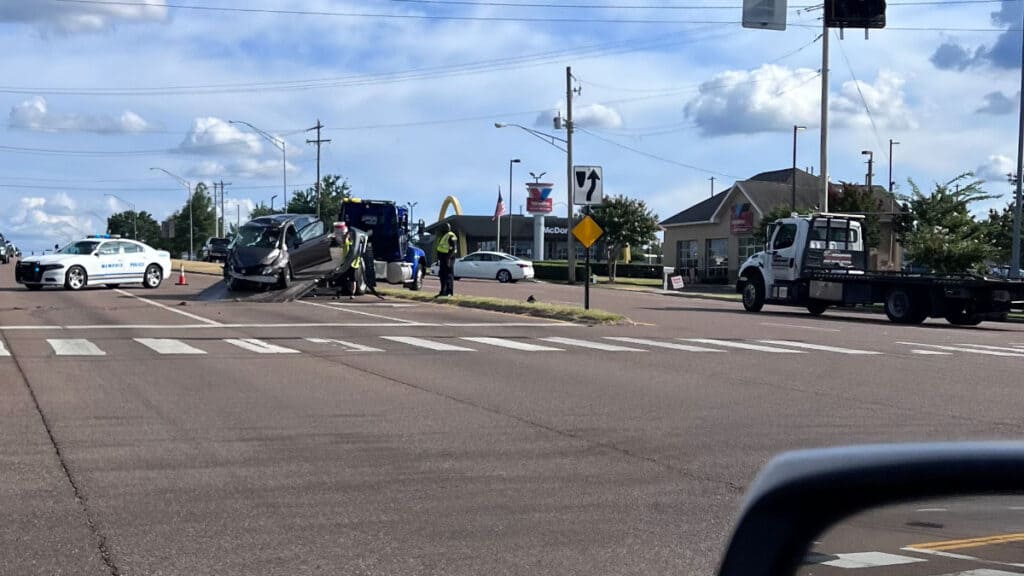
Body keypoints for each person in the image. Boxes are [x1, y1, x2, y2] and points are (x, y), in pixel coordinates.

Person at [435, 223, 458, 297]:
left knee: (448, 275)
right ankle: (443, 291)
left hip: (448, 257)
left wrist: (448, 258)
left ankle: (449, 292)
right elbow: (440, 248)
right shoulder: (443, 236)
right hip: (443, 258)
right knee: (442, 275)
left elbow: (453, 248)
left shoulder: (451, 236)